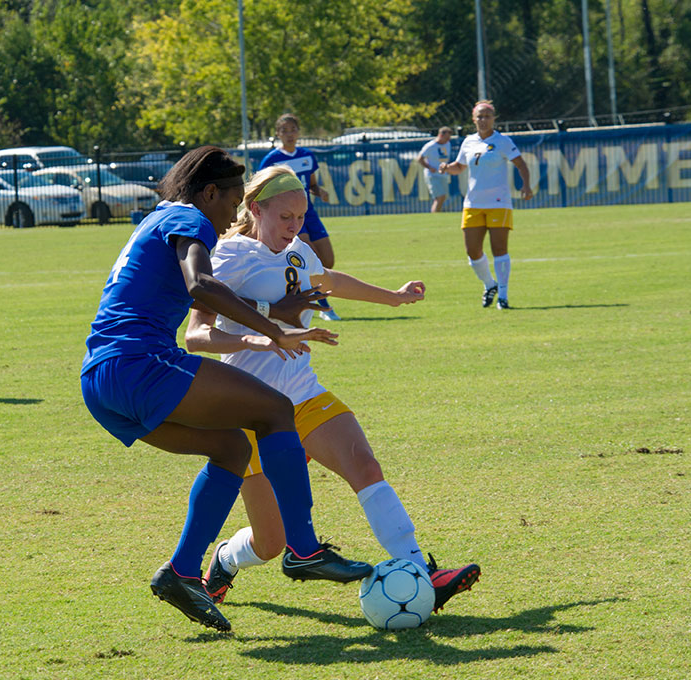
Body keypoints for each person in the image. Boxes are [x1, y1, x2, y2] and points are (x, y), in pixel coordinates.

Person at [79, 146, 373, 634]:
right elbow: (201, 285)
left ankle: (181, 570)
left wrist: (268, 319)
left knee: (232, 446)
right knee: (277, 410)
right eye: (233, 201)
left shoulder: (159, 218)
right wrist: (272, 328)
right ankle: (303, 549)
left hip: (101, 381)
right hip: (139, 362)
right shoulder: (191, 218)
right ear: (209, 193)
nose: (233, 215)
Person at [185, 165, 481, 613]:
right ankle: (225, 560)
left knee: (364, 465)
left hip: (304, 395)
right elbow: (195, 337)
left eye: (301, 217)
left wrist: (394, 296)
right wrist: (259, 335)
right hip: (251, 411)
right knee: (272, 542)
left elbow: (332, 282)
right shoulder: (228, 257)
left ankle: (420, 570)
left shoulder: (299, 251)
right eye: (286, 217)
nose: (294, 227)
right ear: (254, 207)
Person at [439, 101, 532, 310]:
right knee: (472, 251)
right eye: (479, 116)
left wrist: (526, 185)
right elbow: (460, 166)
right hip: (473, 203)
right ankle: (490, 285)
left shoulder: (503, 141)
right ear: (473, 119)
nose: (483, 120)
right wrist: (447, 168)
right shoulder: (468, 142)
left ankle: (503, 297)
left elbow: (521, 164)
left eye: (487, 116)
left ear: (494, 119)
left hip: (499, 203)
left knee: (499, 249)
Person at [259, 113, 341, 321]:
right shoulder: (272, 160)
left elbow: (311, 183)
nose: (289, 134)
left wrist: (319, 190)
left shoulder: (306, 155)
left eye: (292, 129)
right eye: (284, 130)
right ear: (277, 134)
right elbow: (262, 186)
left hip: (309, 213)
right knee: (307, 258)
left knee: (327, 261)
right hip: (290, 216)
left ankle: (308, 299)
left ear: (298, 132)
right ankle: (323, 306)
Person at [417, 126, 454, 213]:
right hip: (432, 175)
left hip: (443, 174)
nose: (448, 140)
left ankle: (438, 213)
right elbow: (419, 158)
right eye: (446, 137)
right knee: (439, 197)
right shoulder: (430, 146)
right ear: (440, 135)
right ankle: (435, 215)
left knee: (443, 197)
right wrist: (429, 167)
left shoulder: (448, 144)